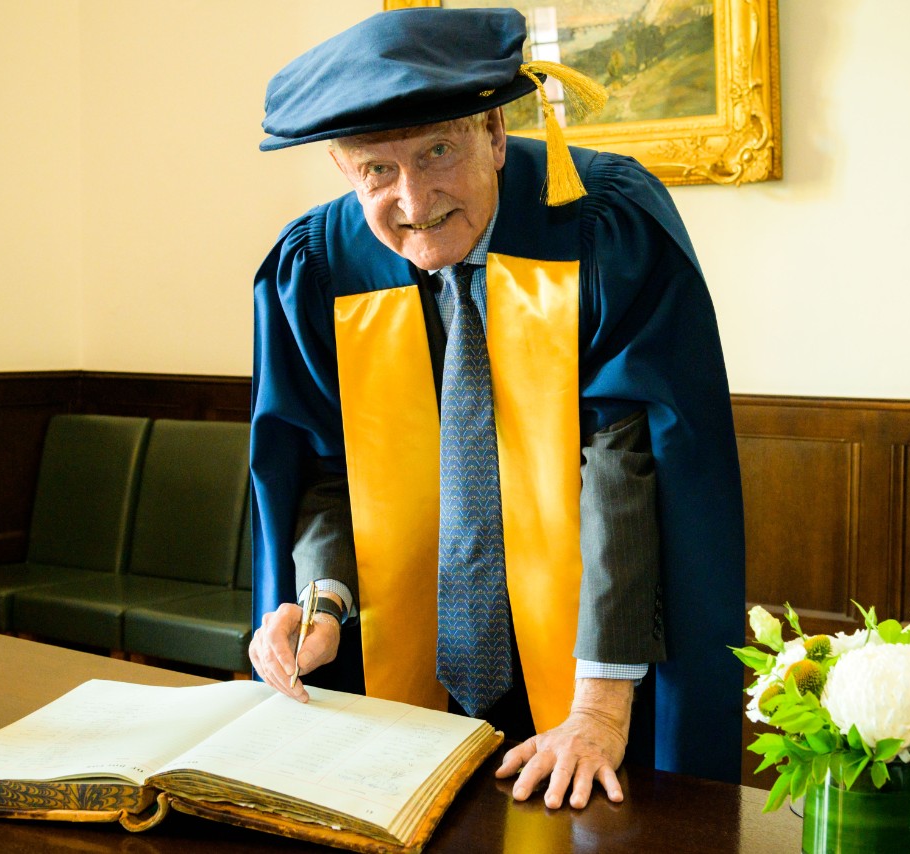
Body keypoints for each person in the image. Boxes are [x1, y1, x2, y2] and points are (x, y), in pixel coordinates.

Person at [248, 7, 745, 810]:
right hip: (402, 675)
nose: (412, 199)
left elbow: (623, 464)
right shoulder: (318, 267)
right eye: (376, 170)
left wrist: (600, 705)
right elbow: (319, 469)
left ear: (494, 128)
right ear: (342, 167)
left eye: (437, 151)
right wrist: (324, 602)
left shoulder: (599, 230)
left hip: (595, 658)